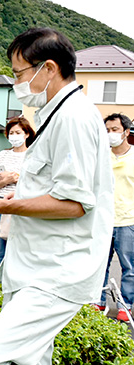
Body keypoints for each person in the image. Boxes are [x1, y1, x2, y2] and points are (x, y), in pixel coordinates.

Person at [0, 28, 113, 364]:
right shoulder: (53, 114)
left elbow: (74, 203)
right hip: (35, 266)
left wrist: (2, 205)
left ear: (48, 68)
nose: (16, 83)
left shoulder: (73, 117)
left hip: (56, 272)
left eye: (19, 73)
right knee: (29, 359)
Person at [93, 113, 134, 321]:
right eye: (107, 130)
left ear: (126, 132)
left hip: (128, 220)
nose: (110, 134)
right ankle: (97, 301)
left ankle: (124, 305)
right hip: (102, 219)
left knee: (129, 267)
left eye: (115, 130)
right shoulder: (101, 156)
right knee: (99, 263)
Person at [0, 116, 35, 269]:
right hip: (0, 205)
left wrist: (14, 178)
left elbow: (34, 181)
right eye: (11, 133)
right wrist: (9, 179)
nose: (14, 136)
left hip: (21, 206)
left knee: (19, 249)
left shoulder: (33, 155)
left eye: (18, 132)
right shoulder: (3, 155)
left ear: (26, 134)